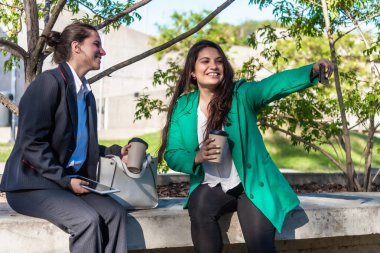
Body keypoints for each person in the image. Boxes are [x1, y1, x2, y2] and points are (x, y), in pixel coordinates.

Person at [158, 39, 333, 253]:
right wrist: (197, 157)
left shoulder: (240, 95)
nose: (213, 65)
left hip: (250, 184)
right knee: (199, 205)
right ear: (193, 72)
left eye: (219, 61)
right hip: (213, 185)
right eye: (205, 61)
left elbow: (272, 86)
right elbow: (173, 153)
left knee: (260, 246)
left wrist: (311, 71)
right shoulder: (183, 107)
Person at [0, 22, 130, 253]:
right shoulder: (48, 84)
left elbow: (75, 143)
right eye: (97, 44)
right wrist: (65, 180)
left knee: (115, 214)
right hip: (30, 186)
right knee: (86, 221)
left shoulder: (85, 94)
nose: (103, 51)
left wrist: (115, 152)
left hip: (63, 183)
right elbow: (32, 143)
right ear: (76, 46)